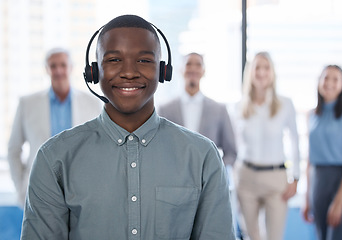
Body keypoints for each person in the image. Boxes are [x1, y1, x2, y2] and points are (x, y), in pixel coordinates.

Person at [21, 15, 235, 239]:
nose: (129, 72)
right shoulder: (54, 158)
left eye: (143, 60)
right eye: (114, 60)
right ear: (94, 71)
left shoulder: (203, 157)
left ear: (163, 71)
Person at [7, 47, 102, 206]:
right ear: (47, 69)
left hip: (81, 190)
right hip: (39, 189)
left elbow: (100, 148)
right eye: (53, 66)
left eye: (63, 65)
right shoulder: (27, 104)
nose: (58, 70)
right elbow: (13, 149)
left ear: (71, 67)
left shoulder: (92, 103)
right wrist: (21, 188)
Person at [233, 51, 300, 240]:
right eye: (257, 67)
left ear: (272, 72)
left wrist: (295, 178)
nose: (261, 72)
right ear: (250, 72)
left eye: (266, 67)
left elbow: (295, 142)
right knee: (251, 235)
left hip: (275, 179)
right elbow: (234, 145)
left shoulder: (285, 104)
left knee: (274, 237)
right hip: (246, 178)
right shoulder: (238, 106)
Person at [302, 65, 342, 240]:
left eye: (335, 79)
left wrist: (339, 201)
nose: (329, 83)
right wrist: (307, 197)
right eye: (326, 78)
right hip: (319, 183)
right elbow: (309, 160)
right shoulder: (312, 115)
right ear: (319, 82)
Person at [158, 52, 237, 166]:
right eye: (188, 64)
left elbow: (231, 152)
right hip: (173, 178)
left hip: (208, 180)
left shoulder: (219, 110)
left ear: (203, 71)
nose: (193, 69)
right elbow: (159, 147)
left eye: (198, 65)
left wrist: (215, 171)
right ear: (181, 70)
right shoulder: (165, 109)